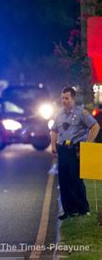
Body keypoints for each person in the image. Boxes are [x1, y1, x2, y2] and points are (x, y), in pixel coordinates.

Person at [50, 87, 100, 220]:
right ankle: (69, 210)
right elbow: (54, 130)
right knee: (64, 181)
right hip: (63, 150)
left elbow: (95, 127)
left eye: (66, 98)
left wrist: (88, 144)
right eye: (62, 98)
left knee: (76, 180)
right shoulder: (59, 115)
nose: (64, 101)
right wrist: (53, 145)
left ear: (73, 99)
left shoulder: (81, 113)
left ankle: (83, 209)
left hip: (75, 150)